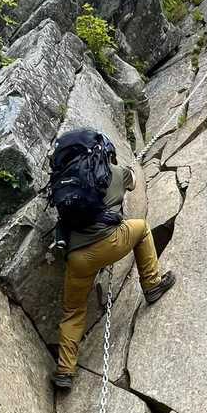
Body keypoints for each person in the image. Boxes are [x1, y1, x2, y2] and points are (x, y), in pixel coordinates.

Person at [50, 131, 175, 390]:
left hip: (78, 258)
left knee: (73, 312)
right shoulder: (113, 173)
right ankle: (152, 284)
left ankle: (65, 371)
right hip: (111, 243)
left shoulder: (66, 184)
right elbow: (133, 181)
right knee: (141, 228)